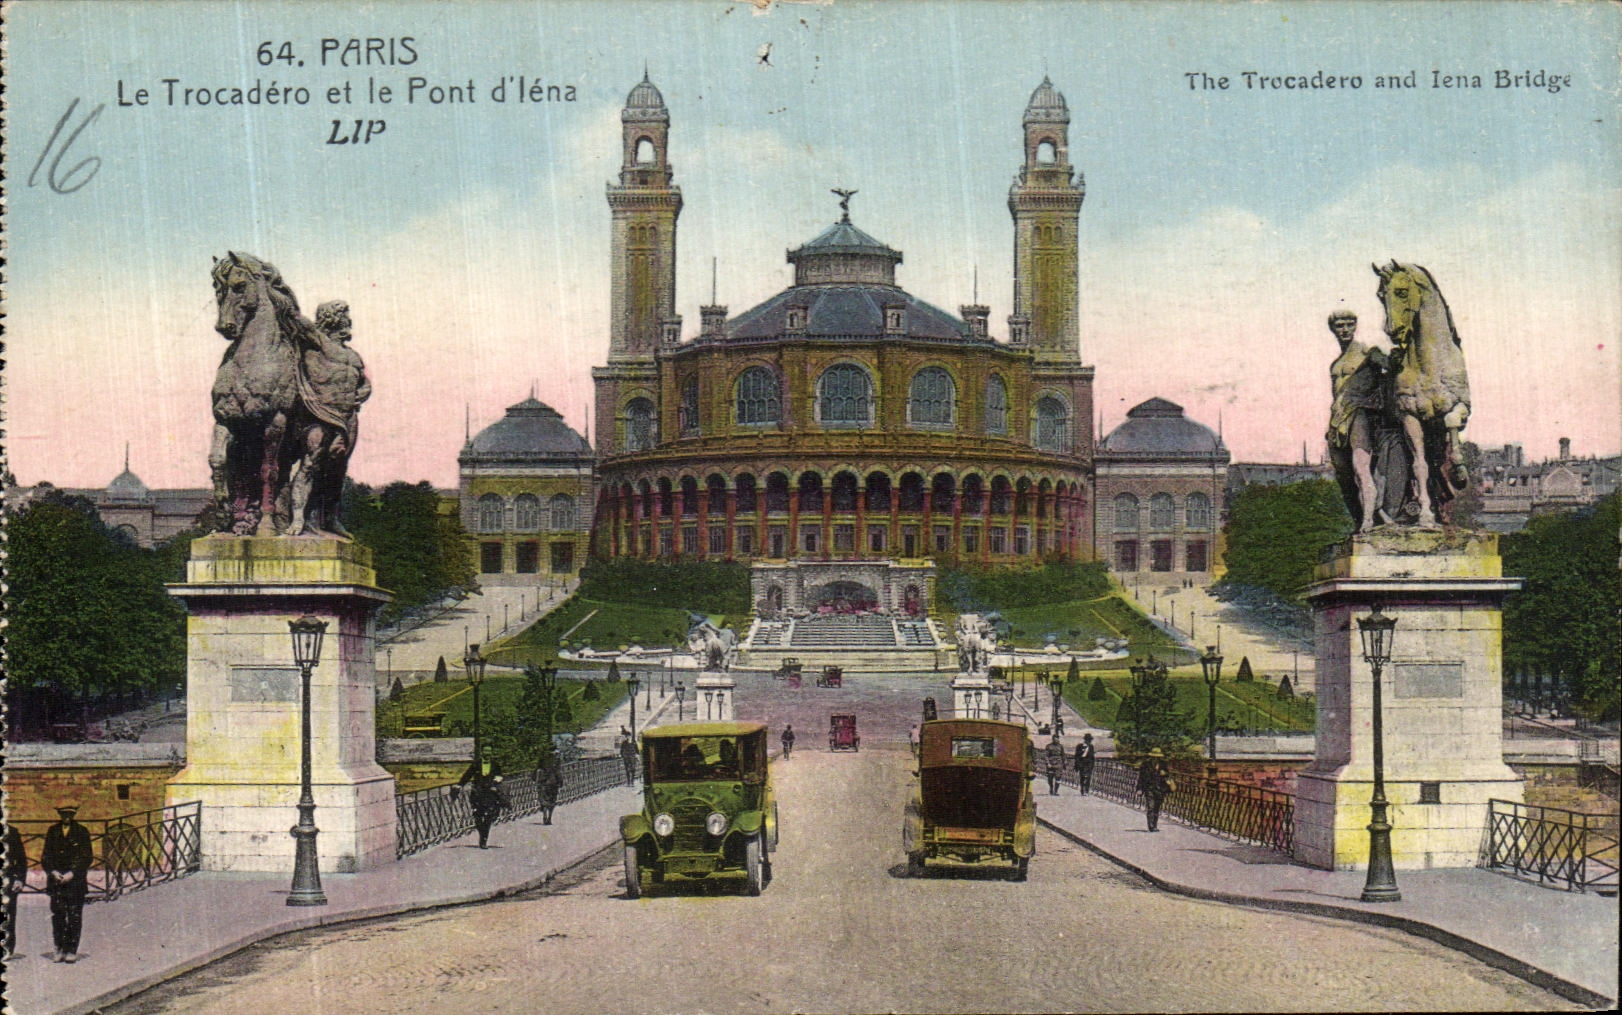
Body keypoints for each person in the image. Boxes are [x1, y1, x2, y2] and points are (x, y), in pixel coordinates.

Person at [289, 299, 371, 536]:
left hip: (347, 419)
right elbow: (292, 316)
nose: (349, 321)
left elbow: (364, 383)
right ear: (332, 319)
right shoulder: (316, 340)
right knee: (310, 464)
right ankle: (298, 519)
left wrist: (363, 393)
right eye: (344, 316)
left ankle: (330, 518)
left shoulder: (353, 356)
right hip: (320, 414)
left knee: (337, 470)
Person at [42, 806, 93, 962]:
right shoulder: (53, 831)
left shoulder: (82, 831)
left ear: (74, 814)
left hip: (75, 882)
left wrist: (73, 873)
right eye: (64, 814)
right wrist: (53, 871)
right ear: (59, 814)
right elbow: (46, 856)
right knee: (58, 916)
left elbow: (87, 857)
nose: (67, 817)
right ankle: (59, 948)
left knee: (74, 916)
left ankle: (71, 950)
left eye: (70, 814)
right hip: (56, 881)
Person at [459, 749, 507, 849]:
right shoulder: (476, 764)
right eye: (485, 751)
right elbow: (468, 775)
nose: (487, 753)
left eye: (489, 751)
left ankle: (483, 840)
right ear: (482, 752)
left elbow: (500, 776)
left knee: (489, 816)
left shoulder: (495, 764)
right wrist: (460, 784)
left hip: (490, 793)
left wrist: (495, 783)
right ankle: (482, 832)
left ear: (491, 753)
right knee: (477, 815)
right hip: (478, 793)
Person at [1136, 749, 1174, 832]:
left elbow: (1168, 776)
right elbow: (1141, 778)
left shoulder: (1163, 765)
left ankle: (1155, 825)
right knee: (1151, 807)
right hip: (1149, 788)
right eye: (1154, 757)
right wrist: (1139, 789)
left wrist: (1164, 774)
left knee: (1157, 807)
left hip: (1160, 789)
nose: (1155, 759)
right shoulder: (1145, 765)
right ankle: (1151, 826)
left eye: (1157, 757)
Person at [4, 823, 27, 961]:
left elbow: (21, 859)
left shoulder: (12, 832)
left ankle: (6, 948)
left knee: (8, 915)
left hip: (8, 881)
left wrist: (20, 879)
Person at [535, 754, 563, 825]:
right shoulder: (555, 764)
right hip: (553, 786)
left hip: (543, 785)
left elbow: (534, 776)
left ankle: (544, 816)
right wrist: (561, 783)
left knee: (544, 801)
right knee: (552, 801)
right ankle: (549, 818)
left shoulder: (541, 765)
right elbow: (559, 775)